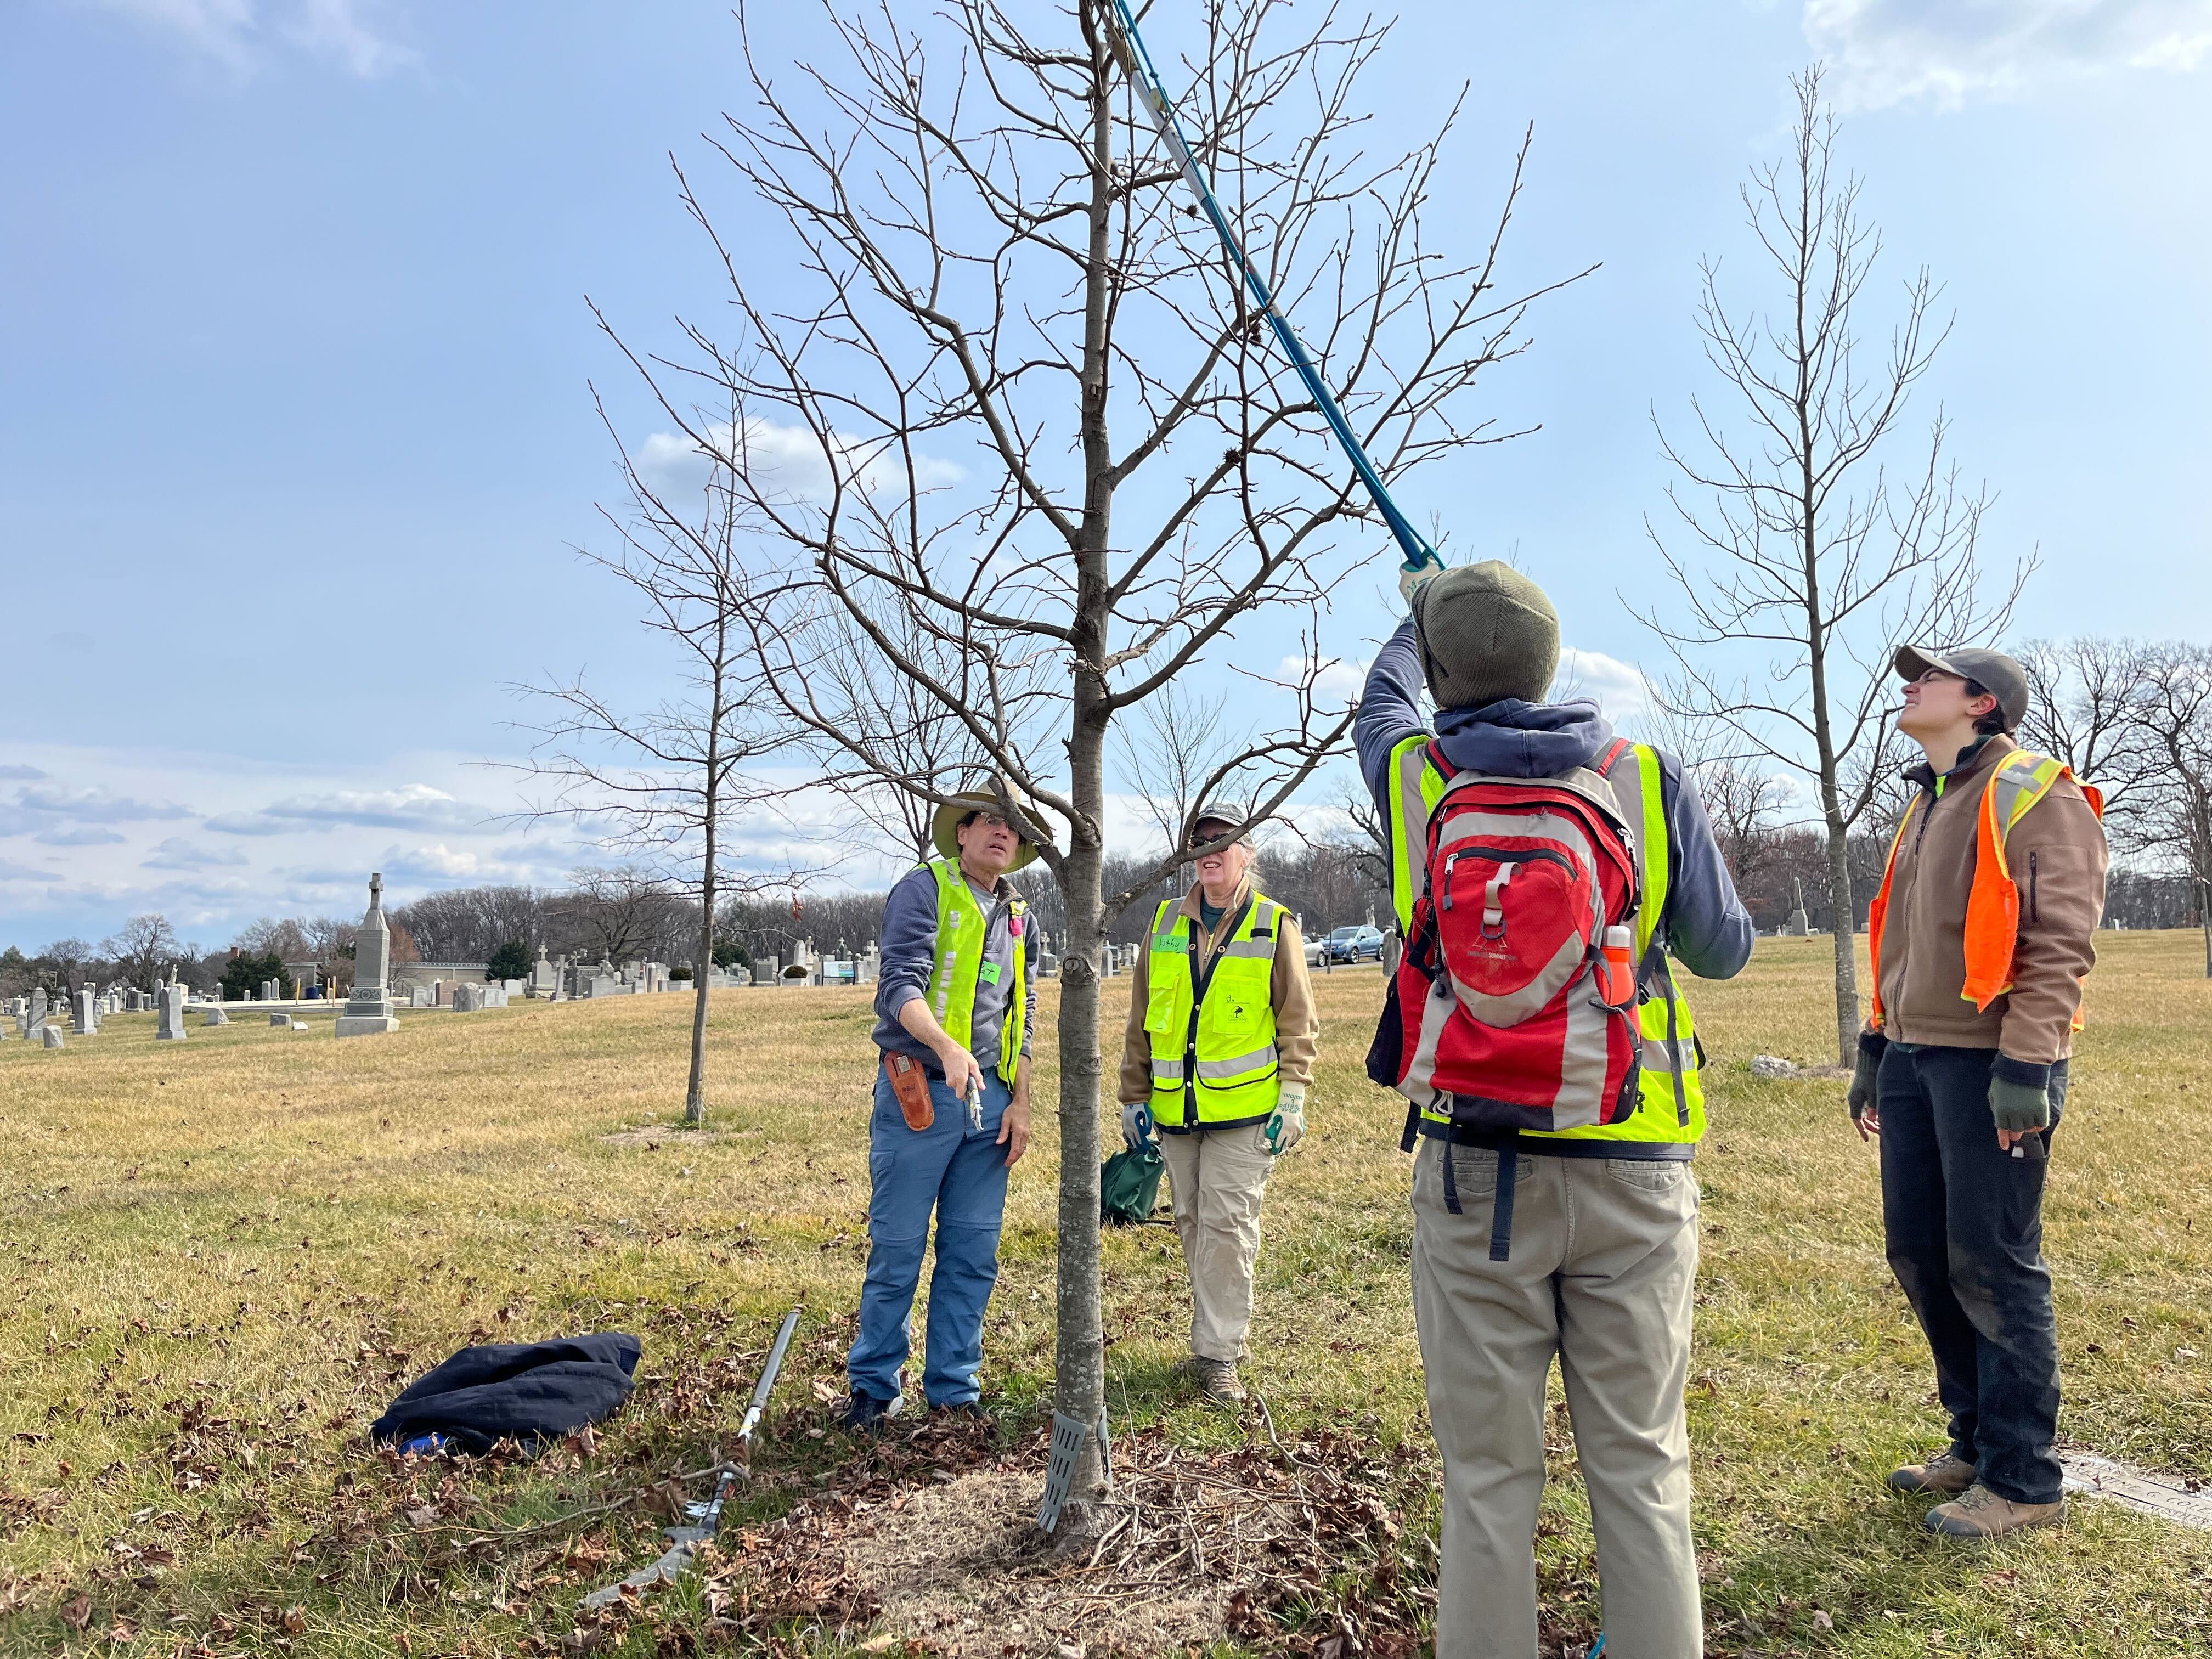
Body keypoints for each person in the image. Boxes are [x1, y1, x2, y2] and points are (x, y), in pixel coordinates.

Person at [1356, 558, 1753, 1659]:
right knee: (1642, 1465)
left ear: (1441, 672)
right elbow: (1724, 953)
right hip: (1635, 1159)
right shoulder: (1642, 776)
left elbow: (1380, 703)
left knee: (1487, 1482)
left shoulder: (1416, 779)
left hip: (1476, 1170)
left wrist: (1414, 605)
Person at [1849, 645, 2107, 1538]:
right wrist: (1870, 1049)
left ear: (1981, 700)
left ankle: (2024, 1479)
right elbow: (1898, 940)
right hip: (1914, 1058)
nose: (1909, 685)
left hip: (1992, 1065)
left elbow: (2059, 941)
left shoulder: (2034, 789)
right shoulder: (1927, 800)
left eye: (1930, 675)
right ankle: (1972, 1440)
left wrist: (2026, 1067)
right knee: (1919, 1251)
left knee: (1994, 1264)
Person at [845, 784, 1039, 1430]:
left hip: (992, 1105)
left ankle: (954, 1391)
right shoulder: (924, 889)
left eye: (1012, 826)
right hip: (919, 1093)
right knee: (898, 1247)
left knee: (972, 1251)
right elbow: (897, 985)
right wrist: (945, 1046)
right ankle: (874, 1388)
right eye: (988, 820)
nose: (1000, 832)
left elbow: (1025, 1015)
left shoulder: (1021, 918)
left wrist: (1023, 1102)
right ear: (962, 832)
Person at [1116, 804, 1319, 1401]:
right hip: (1178, 1114)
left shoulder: (1271, 924)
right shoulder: (1164, 924)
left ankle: (1218, 1355)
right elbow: (1141, 1021)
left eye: (1223, 839)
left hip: (1246, 1116)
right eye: (1200, 840)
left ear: (1247, 853)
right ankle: (1215, 1336)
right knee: (1191, 1225)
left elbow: (1297, 1020)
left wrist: (1294, 1094)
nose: (1211, 848)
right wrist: (1133, 1094)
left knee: (1228, 1228)